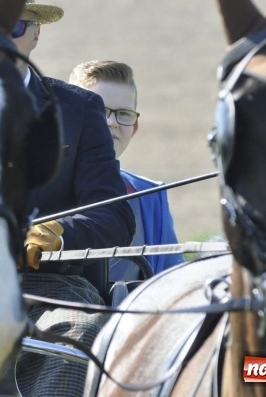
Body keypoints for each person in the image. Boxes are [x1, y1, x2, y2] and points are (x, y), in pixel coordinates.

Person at [0, 0, 134, 397]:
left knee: (79, 335)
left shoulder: (79, 111)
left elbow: (114, 216)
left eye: (14, 24)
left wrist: (57, 235)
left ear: (35, 34)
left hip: (50, 291)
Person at [69, 60, 184, 279]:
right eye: (98, 110)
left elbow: (171, 277)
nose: (112, 123)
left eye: (124, 114)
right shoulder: (45, 184)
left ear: (135, 127)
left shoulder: (150, 195)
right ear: (70, 118)